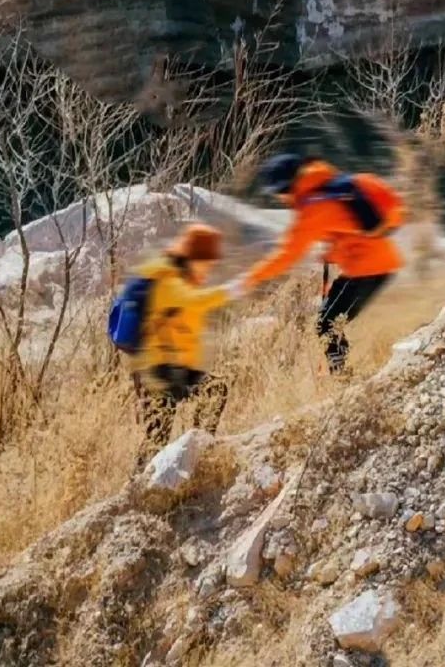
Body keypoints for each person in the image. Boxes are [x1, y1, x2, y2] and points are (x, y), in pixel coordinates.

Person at [241, 153, 405, 372]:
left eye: (277, 194)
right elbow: (349, 229)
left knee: (326, 325)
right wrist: (335, 252)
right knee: (328, 322)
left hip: (367, 269)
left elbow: (287, 255)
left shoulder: (313, 207)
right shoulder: (326, 185)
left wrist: (251, 277)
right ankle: (342, 373)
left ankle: (341, 378)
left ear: (284, 188)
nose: (279, 199)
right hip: (372, 264)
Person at [128, 223, 239, 463]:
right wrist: (233, 289)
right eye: (207, 261)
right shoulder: (169, 279)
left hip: (174, 368)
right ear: (194, 257)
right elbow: (194, 302)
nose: (210, 268)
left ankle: (197, 453)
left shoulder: (181, 277)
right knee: (156, 439)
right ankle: (137, 491)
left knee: (215, 390)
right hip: (158, 372)